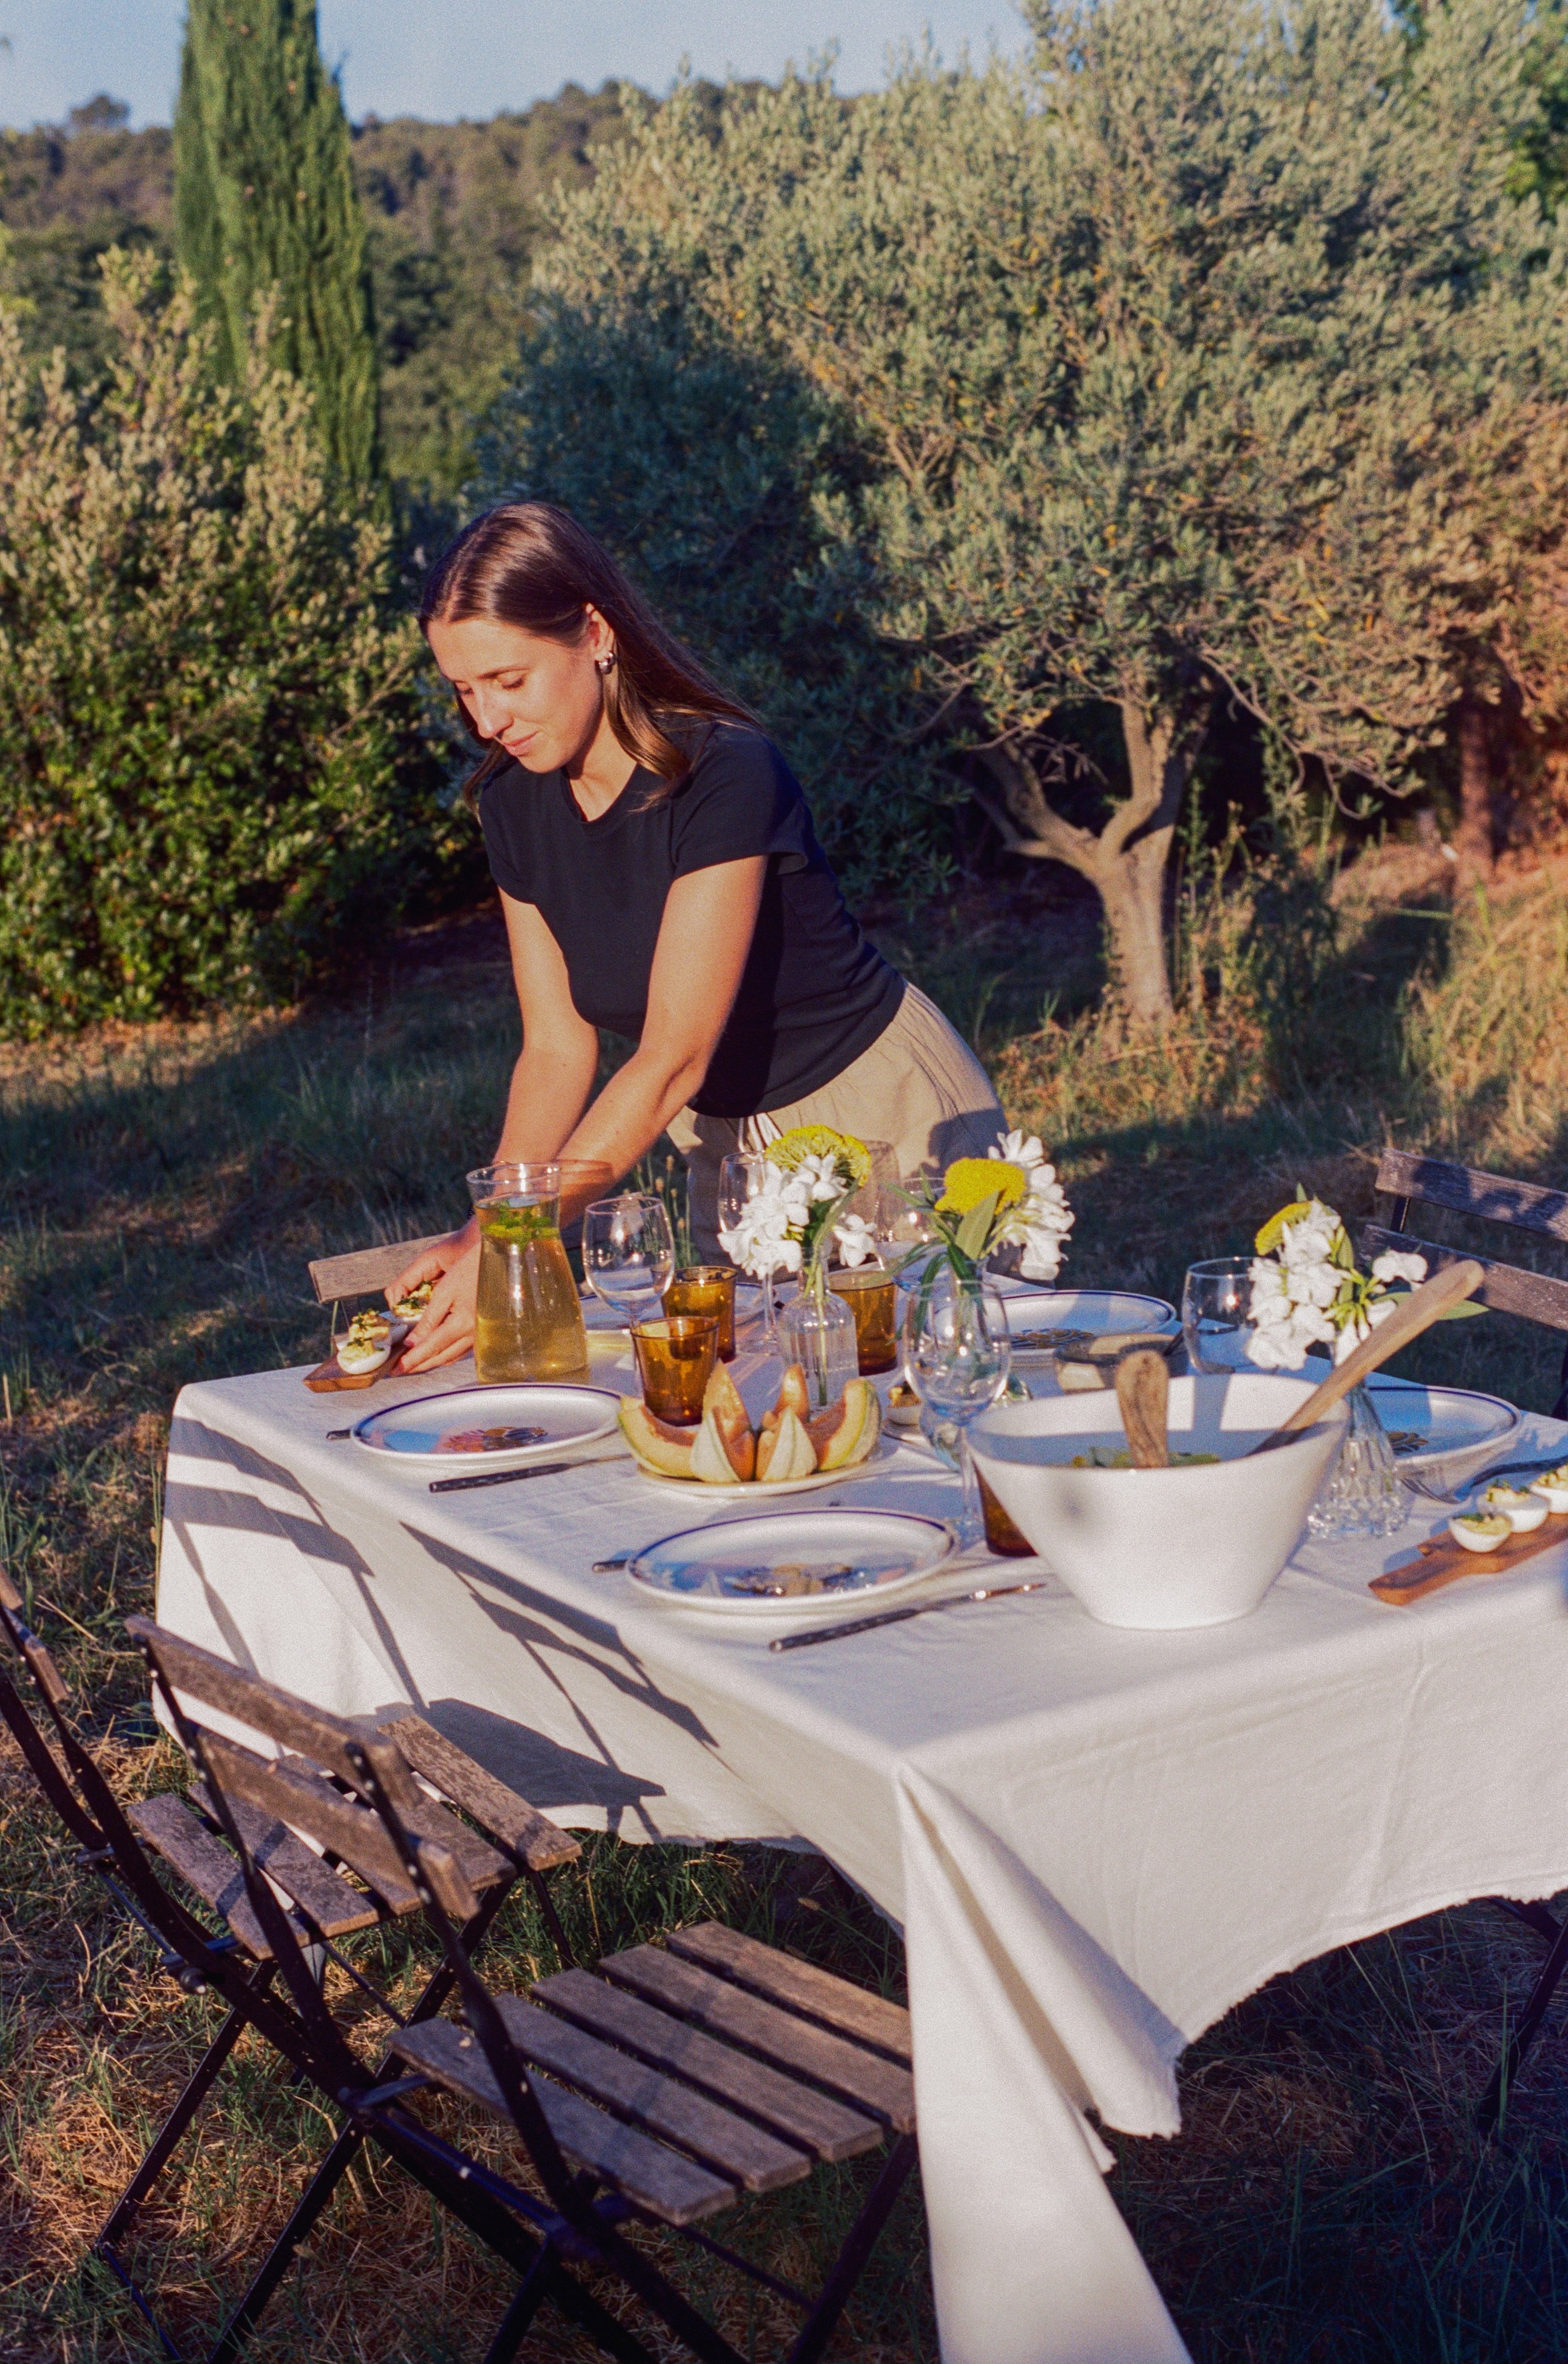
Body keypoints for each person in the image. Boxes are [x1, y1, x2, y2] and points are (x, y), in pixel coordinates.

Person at [394, 501, 1004, 1370]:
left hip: (881, 1121)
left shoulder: (725, 774)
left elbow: (673, 1053)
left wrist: (515, 1236)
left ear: (595, 634)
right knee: (765, 1410)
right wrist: (483, 1229)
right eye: (462, 688)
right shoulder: (511, 801)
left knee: (935, 1402)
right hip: (721, 1147)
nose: (485, 719)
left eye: (508, 680)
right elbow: (557, 1047)